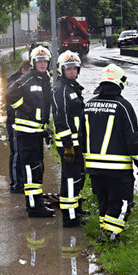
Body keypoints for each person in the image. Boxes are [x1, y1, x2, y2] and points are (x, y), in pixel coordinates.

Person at [84, 64, 138, 242]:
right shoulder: (123, 106)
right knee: (122, 202)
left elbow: (82, 136)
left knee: (103, 200)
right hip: (118, 168)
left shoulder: (88, 105)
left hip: (94, 167)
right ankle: (108, 237)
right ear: (121, 82)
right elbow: (133, 138)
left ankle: (104, 231)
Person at [6, 45, 54, 218]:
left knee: (38, 169)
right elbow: (10, 95)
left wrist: (45, 128)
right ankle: (33, 207)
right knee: (30, 170)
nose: (43, 64)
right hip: (26, 134)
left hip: (37, 133)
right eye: (40, 61)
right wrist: (26, 109)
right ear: (34, 62)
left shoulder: (44, 78)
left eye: (45, 61)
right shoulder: (27, 78)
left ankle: (37, 202)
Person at [51, 51, 86, 227]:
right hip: (68, 145)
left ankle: (77, 209)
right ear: (61, 70)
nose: (72, 71)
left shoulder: (72, 86)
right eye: (68, 68)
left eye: (74, 68)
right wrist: (68, 146)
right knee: (70, 179)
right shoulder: (61, 89)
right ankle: (70, 218)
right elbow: (60, 119)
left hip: (76, 142)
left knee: (79, 175)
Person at [5, 60, 31, 193]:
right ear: (23, 71)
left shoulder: (22, 82)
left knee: (21, 153)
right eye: (29, 71)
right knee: (16, 153)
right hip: (14, 122)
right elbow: (11, 106)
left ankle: (21, 181)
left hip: (21, 122)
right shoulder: (15, 84)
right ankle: (16, 184)